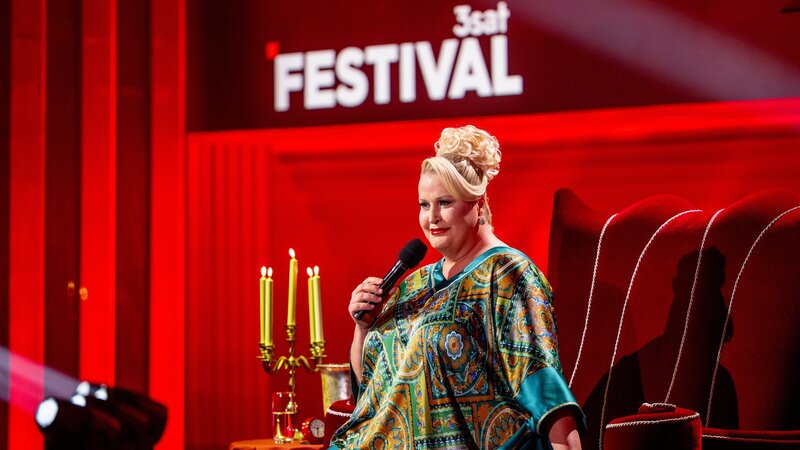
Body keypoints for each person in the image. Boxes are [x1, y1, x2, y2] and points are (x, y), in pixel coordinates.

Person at [330, 125, 584, 450]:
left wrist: (567, 445)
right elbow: (375, 388)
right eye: (424, 205)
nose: (432, 217)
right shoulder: (413, 285)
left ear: (478, 203)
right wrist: (363, 328)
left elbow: (539, 376)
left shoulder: (507, 274)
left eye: (445, 202)